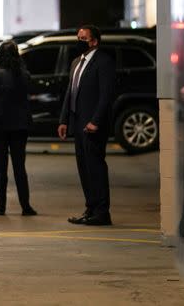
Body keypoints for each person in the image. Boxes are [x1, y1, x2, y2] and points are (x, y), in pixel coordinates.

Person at [58, 25, 115, 227]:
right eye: (78, 37)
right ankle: (90, 209)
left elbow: (106, 95)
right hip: (78, 122)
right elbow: (70, 92)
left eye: (83, 38)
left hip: (93, 125)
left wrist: (95, 121)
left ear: (94, 41)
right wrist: (64, 120)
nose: (79, 41)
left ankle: (102, 212)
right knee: (84, 168)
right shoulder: (76, 62)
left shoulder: (103, 62)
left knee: (96, 167)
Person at [0, 40, 37, 217]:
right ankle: (25, 206)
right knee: (19, 167)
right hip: (20, 125)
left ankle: (1, 207)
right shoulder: (25, 74)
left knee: (0, 168)